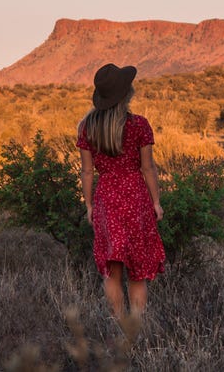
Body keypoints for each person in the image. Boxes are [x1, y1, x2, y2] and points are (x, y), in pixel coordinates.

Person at [77, 63, 166, 320]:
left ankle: (118, 325)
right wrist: (156, 201)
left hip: (106, 198)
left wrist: (90, 206)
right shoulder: (139, 125)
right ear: (126, 94)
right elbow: (148, 168)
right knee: (137, 272)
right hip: (136, 197)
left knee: (112, 271)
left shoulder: (87, 127)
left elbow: (86, 172)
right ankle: (136, 326)